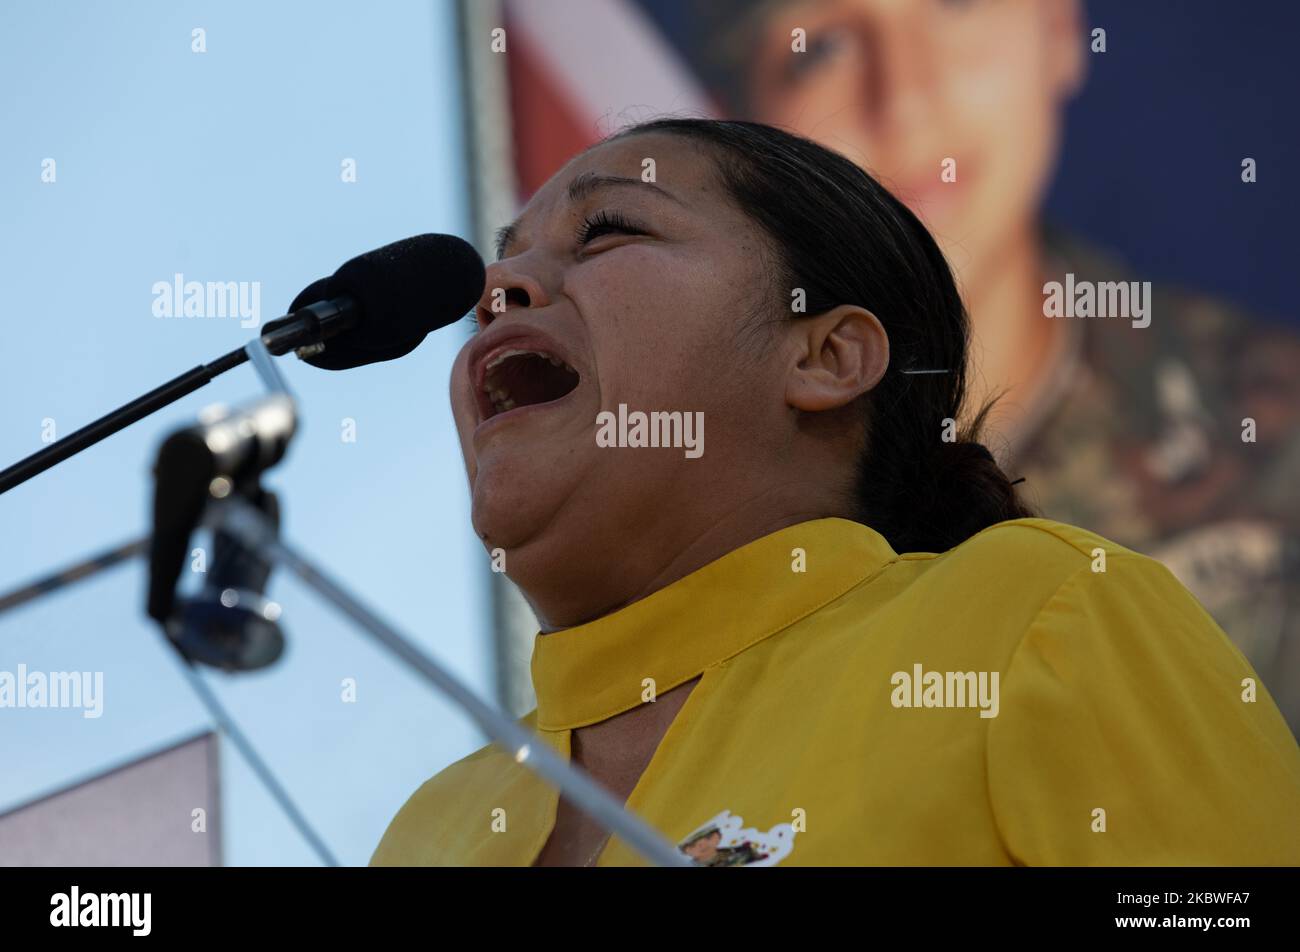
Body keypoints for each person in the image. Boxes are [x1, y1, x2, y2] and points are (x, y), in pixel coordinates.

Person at [370, 119, 1300, 867]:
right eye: (503, 261)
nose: (497, 290)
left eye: (609, 231)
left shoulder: (1034, 616)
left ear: (824, 357)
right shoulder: (430, 829)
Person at [676, 0, 1300, 737]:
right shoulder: (671, 512)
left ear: (1061, 27)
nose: (906, 99)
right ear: (741, 144)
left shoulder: (1274, 426)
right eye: (822, 47)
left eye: (956, 6)